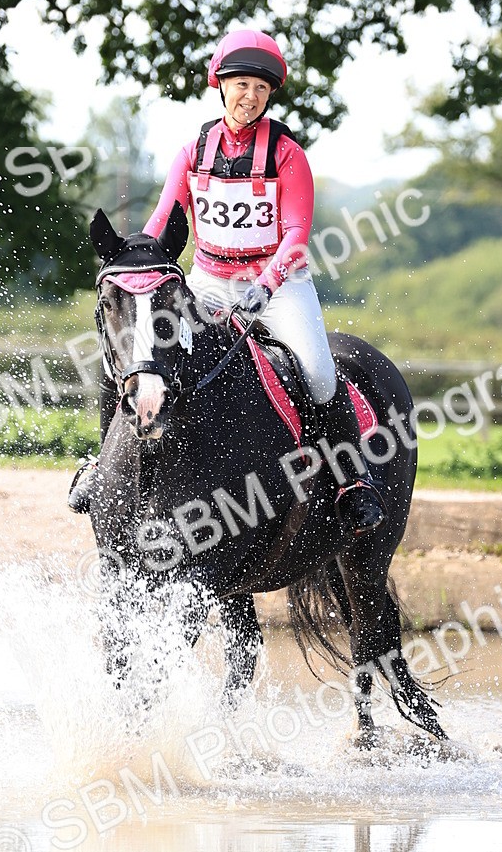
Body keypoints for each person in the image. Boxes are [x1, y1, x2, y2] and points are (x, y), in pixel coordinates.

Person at [69, 28, 386, 533]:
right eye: (241, 85)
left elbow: (296, 234)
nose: (250, 97)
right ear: (220, 85)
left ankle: (352, 480)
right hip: (208, 281)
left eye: (261, 88)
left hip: (280, 286)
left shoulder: (287, 154)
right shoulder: (192, 152)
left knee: (319, 375)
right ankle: (102, 464)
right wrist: (139, 262)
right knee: (137, 354)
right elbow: (163, 218)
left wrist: (267, 284)